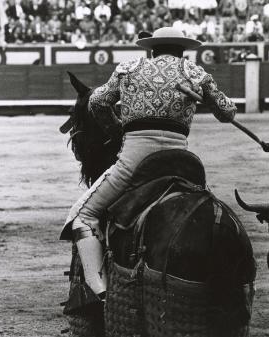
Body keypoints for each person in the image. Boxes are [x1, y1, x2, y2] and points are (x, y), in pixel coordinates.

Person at [60, 27, 237, 297]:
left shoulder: (129, 68)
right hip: (182, 158)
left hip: (136, 157)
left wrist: (117, 130)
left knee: (83, 216)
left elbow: (96, 103)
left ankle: (100, 292)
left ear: (152, 48)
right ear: (183, 49)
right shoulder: (196, 73)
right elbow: (227, 113)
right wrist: (208, 98)